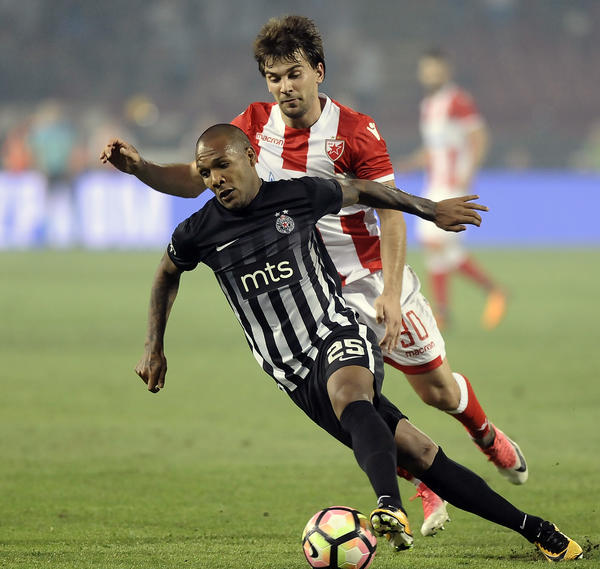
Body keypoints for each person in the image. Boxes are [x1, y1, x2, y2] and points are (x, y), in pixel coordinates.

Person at [101, 15, 527, 538]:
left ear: (318, 72)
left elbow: (389, 210)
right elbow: (195, 179)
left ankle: (484, 433)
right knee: (354, 403)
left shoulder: (356, 131)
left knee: (436, 391)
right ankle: (420, 483)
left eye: (294, 74)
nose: (285, 87)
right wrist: (140, 167)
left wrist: (393, 293)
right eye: (274, 77)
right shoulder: (252, 125)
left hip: (368, 277)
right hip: (309, 292)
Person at [135, 123, 582, 562]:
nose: (215, 180)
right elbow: (165, 275)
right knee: (422, 453)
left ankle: (390, 505)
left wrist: (430, 210)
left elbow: (365, 190)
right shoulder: (198, 232)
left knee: (350, 394)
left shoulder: (298, 196)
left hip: (336, 331)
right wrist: (154, 346)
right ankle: (537, 529)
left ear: (250, 157)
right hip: (293, 374)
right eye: (205, 172)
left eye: (222, 166)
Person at [397, 48, 507, 331]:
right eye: (427, 69)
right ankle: (447, 311)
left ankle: (491, 291)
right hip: (434, 183)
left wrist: (468, 174)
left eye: (436, 68)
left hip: (452, 185)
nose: (431, 73)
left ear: (446, 70)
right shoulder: (428, 105)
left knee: (435, 242)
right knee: (438, 249)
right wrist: (409, 163)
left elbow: (479, 137)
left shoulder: (457, 100)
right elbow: (433, 150)